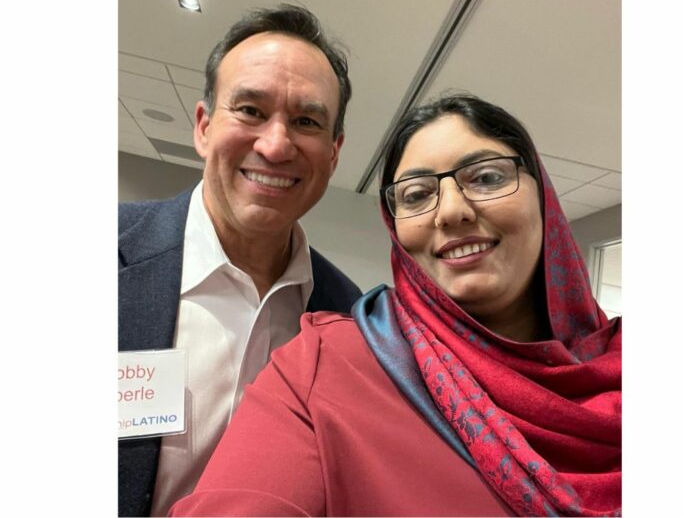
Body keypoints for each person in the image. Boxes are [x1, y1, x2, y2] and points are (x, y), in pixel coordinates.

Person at [170, 94, 622, 517]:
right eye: (417, 194)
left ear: (543, 196)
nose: (451, 211)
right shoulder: (326, 364)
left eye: (486, 177)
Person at [118, 4, 362, 517]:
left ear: (334, 152)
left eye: (306, 121)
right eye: (250, 110)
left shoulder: (350, 319)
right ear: (204, 126)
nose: (275, 146)